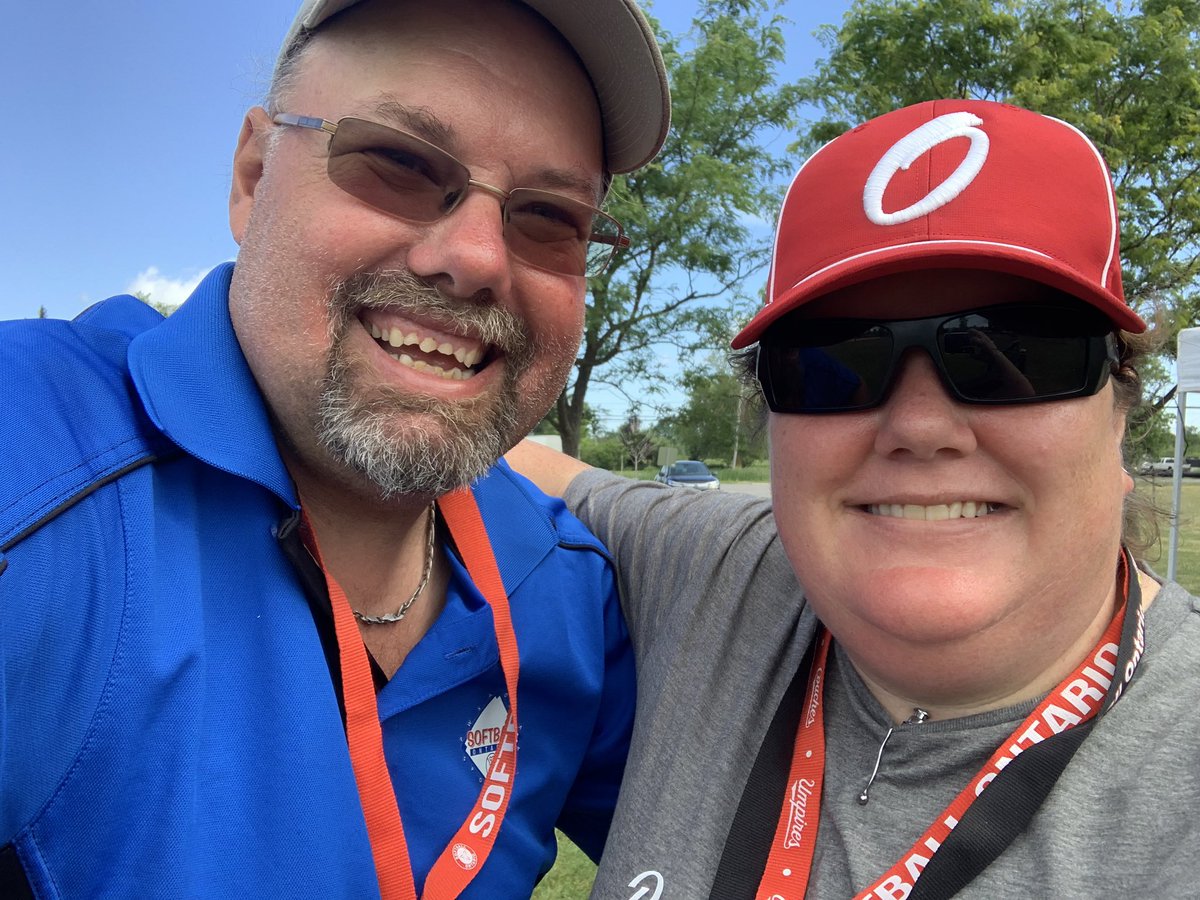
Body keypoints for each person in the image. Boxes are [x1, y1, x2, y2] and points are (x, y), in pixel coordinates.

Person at [0, 1, 670, 897]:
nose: (475, 257)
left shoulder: (567, 589)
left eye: (549, 216)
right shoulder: (34, 477)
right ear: (252, 177)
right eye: (399, 163)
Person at [509, 99, 1200, 898]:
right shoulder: (723, 568)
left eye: (1017, 351)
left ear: (1120, 414)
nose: (920, 426)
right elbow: (510, 456)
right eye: (832, 363)